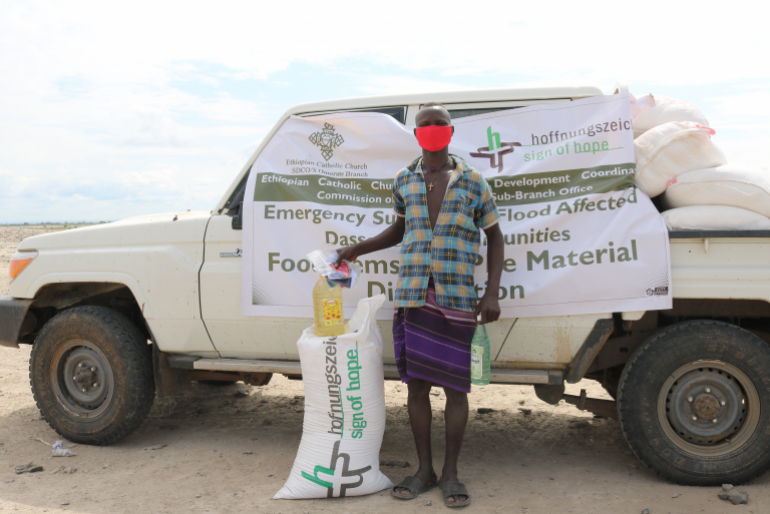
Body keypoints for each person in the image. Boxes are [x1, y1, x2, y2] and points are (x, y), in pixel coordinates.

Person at [336, 102, 504, 508]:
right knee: (417, 387)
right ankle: (424, 469)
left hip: (457, 295)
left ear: (450, 130)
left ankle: (451, 474)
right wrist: (358, 248)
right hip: (413, 294)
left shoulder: (473, 181)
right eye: (425, 124)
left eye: (439, 124)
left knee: (456, 389)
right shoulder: (403, 180)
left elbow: (496, 237)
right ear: (417, 133)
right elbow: (400, 228)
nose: (432, 129)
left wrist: (492, 291)